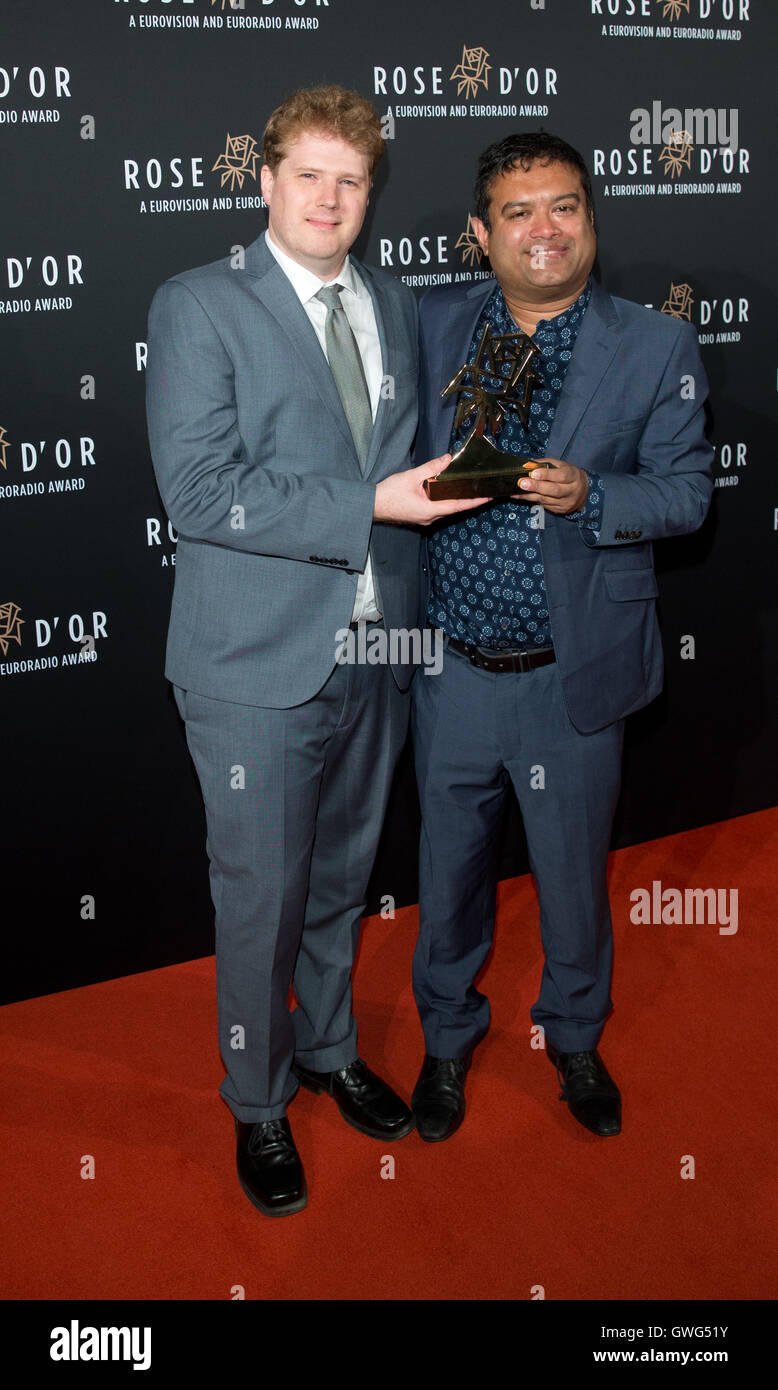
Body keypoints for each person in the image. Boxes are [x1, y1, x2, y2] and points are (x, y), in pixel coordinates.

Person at [145, 85, 484, 1216]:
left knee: (341, 882)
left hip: (373, 651)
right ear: (266, 181)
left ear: (370, 194)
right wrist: (368, 503)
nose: (331, 198)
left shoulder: (390, 297)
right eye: (311, 176)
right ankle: (257, 1100)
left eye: (353, 181)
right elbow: (199, 494)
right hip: (251, 668)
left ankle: (330, 1047)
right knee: (261, 898)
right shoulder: (199, 304)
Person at [410, 131, 714, 1142]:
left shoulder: (653, 343)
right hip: (450, 670)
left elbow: (685, 493)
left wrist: (596, 494)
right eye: (517, 211)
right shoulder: (431, 324)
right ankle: (447, 1037)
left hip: (571, 677)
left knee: (575, 875)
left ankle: (574, 1035)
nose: (544, 230)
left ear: (589, 216)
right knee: (446, 874)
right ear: (478, 232)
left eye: (564, 206)